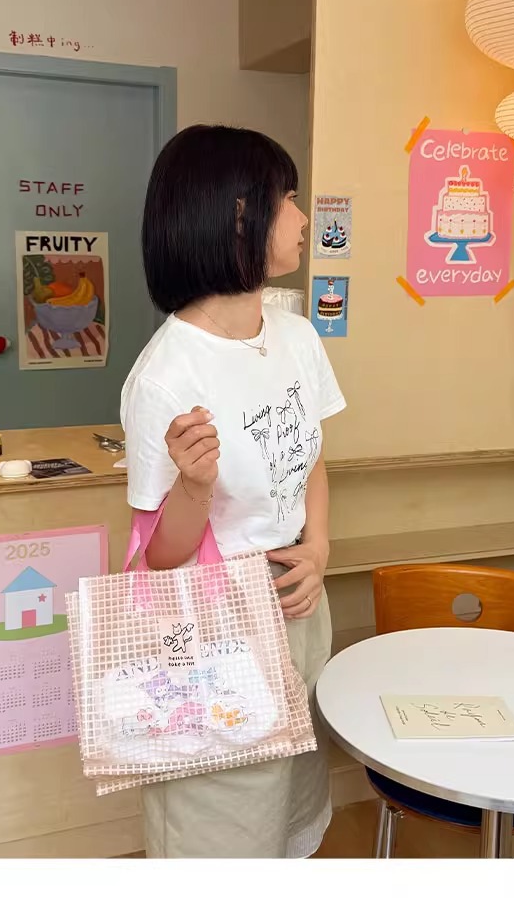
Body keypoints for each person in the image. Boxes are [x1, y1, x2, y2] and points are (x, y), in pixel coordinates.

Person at [120, 124, 346, 858]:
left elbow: (311, 458)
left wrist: (319, 548)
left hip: (298, 601)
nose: (304, 217)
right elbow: (160, 558)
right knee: (219, 825)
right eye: (289, 198)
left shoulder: (296, 336)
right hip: (217, 625)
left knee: (287, 807)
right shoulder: (164, 376)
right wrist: (194, 485)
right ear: (239, 214)